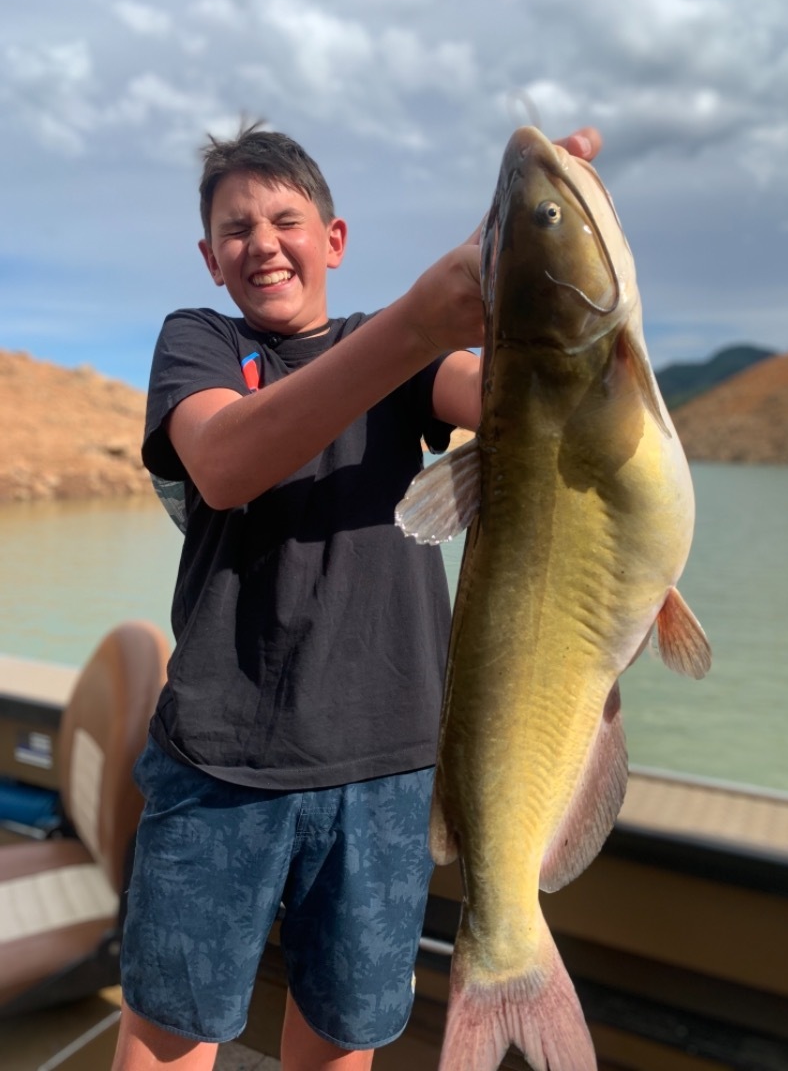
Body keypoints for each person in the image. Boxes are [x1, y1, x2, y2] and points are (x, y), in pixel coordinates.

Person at [111, 120, 602, 1071]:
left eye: (285, 221)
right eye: (237, 230)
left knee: (340, 1041)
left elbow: (518, 391)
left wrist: (526, 262)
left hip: (392, 770)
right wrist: (417, 319)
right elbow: (223, 462)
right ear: (210, 260)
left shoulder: (404, 354)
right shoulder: (199, 344)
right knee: (168, 1035)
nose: (263, 244)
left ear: (332, 242)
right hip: (221, 761)